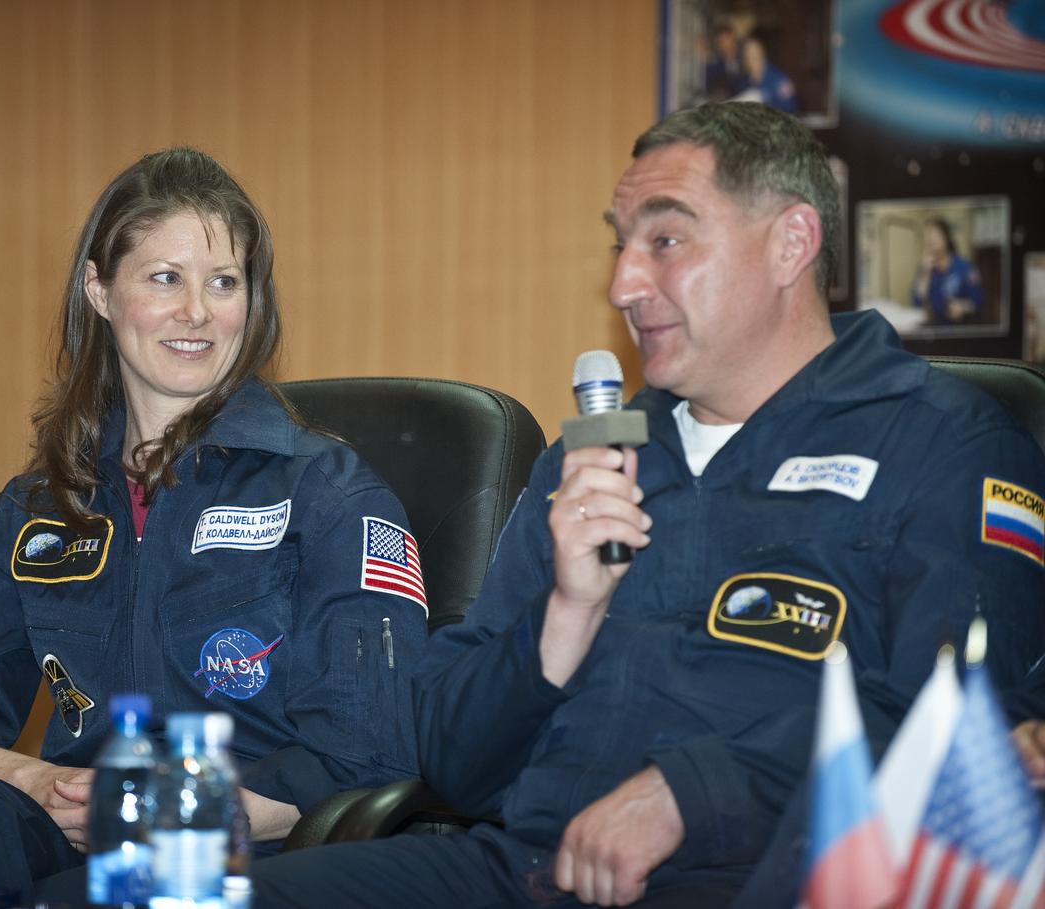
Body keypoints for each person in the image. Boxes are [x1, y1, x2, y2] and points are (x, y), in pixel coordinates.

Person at [248, 101, 1045, 908]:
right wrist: (563, 616)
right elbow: (453, 762)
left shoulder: (946, 442)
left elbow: (962, 727)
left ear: (791, 243)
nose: (624, 284)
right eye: (620, 246)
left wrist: (688, 794)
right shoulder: (592, 459)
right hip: (523, 868)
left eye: (665, 240)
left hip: (768, 881)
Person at [0, 147, 428, 907]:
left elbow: (371, 755)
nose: (196, 311)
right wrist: (37, 781)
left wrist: (168, 811)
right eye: (165, 278)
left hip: (247, 851)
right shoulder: (35, 510)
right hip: (70, 834)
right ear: (100, 290)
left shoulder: (330, 494)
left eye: (224, 282)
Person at [910, 216, 985, 325]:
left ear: (947, 238)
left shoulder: (965, 267)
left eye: (935, 235)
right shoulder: (924, 267)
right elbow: (916, 304)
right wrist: (925, 273)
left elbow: (979, 301)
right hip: (936, 327)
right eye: (928, 236)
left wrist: (963, 307)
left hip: (962, 328)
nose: (931, 240)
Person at [736, 35, 797, 114]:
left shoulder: (778, 79)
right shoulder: (743, 81)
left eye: (755, 54)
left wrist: (765, 102)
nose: (752, 57)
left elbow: (791, 108)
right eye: (748, 54)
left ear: (762, 54)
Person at [703, 23, 744, 101]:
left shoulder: (745, 58)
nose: (724, 45)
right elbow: (707, 83)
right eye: (720, 42)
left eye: (726, 40)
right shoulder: (716, 65)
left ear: (734, 39)